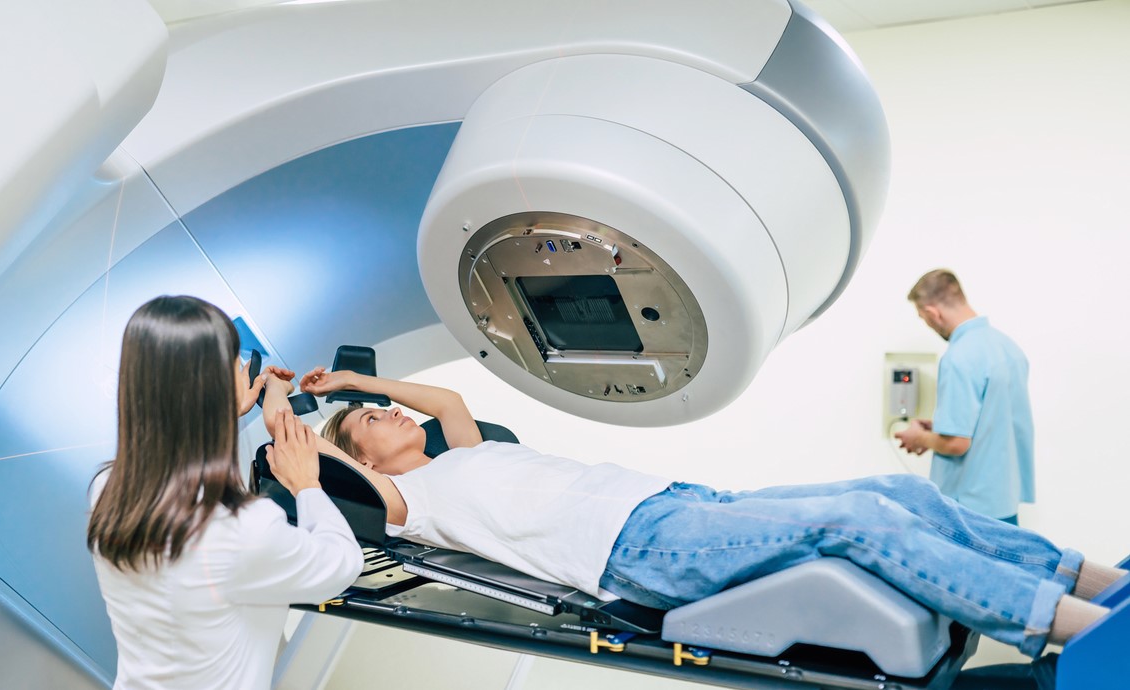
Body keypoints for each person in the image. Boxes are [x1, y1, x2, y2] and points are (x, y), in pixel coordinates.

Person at [260, 366, 1125, 661]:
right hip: (642, 552)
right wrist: (290, 410)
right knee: (862, 523)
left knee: (894, 490)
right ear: (361, 458)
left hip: (678, 502)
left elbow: (445, 395)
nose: (392, 417)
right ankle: (1077, 629)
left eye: (385, 409)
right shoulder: (411, 503)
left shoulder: (466, 447)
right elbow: (312, 459)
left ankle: (1096, 581)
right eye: (374, 422)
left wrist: (359, 384)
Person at [87, 296, 363, 690]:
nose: (245, 370)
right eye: (237, 364)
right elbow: (341, 565)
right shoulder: (245, 529)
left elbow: (196, 484)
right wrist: (307, 483)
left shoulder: (109, 487)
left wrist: (227, 411)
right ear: (211, 390)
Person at [894, 269, 1034, 524]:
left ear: (932, 312)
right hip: (1004, 501)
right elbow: (993, 425)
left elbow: (957, 443)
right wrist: (939, 427)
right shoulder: (1008, 348)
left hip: (969, 510)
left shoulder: (959, 356)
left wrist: (919, 436)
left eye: (922, 318)